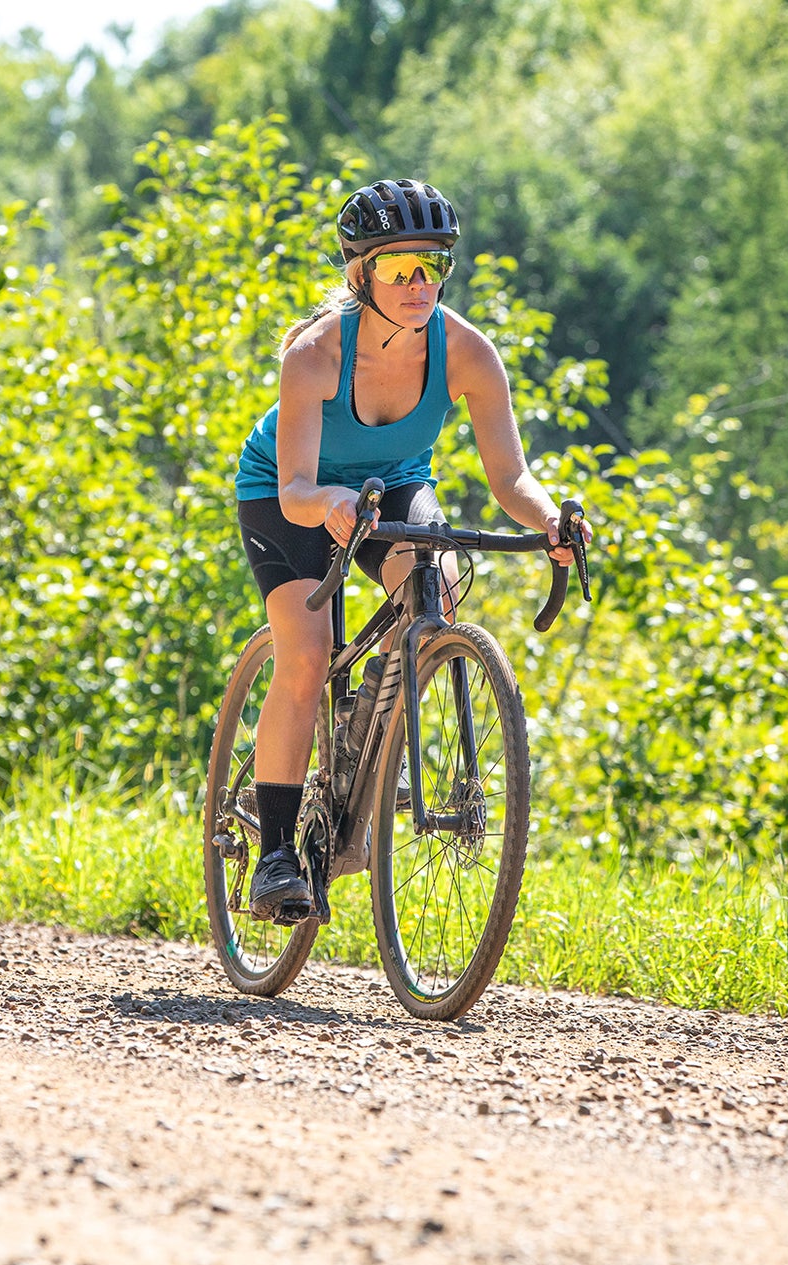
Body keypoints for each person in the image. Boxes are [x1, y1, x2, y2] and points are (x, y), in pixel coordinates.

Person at [232, 177, 587, 920]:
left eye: (435, 265)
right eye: (401, 269)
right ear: (361, 275)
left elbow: (511, 475)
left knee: (439, 588)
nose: (421, 284)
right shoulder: (315, 355)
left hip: (390, 485)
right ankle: (272, 855)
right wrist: (328, 503)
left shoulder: (467, 352)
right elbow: (296, 486)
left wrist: (553, 518)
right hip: (289, 493)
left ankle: (373, 727)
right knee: (306, 646)